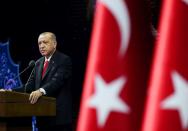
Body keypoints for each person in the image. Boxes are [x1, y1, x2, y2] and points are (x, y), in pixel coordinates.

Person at [24, 32, 73, 131]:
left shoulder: (64, 60)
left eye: (45, 42)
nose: (41, 46)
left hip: (59, 118)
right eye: (39, 43)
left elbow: (57, 81)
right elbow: (29, 86)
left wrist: (40, 91)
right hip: (42, 117)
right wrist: (10, 90)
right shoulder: (38, 63)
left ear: (54, 44)